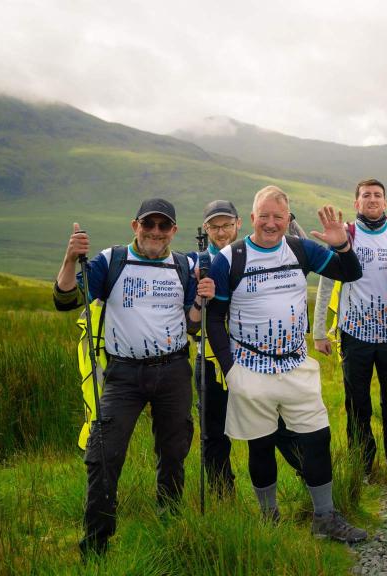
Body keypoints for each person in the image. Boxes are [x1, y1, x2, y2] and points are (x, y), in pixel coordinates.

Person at [205, 186, 368, 542]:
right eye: (264, 216)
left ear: (287, 219)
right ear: (252, 218)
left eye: (278, 216)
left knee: (317, 438)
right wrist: (231, 370)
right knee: (260, 445)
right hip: (249, 367)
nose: (271, 223)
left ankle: (325, 518)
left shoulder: (299, 249)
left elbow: (350, 273)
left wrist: (342, 245)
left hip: (296, 365)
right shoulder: (229, 259)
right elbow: (214, 319)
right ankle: (269, 518)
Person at [53, 198, 207, 556]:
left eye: (163, 226)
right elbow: (66, 299)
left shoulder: (184, 265)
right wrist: (68, 258)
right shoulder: (112, 260)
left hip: (173, 371)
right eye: (148, 224)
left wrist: (200, 300)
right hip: (123, 374)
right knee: (104, 452)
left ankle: (171, 521)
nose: (155, 232)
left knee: (174, 451)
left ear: (173, 231)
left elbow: (193, 324)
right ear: (134, 225)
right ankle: (97, 541)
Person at [312, 179, 387, 492]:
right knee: (357, 404)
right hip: (354, 335)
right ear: (356, 202)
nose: (372, 200)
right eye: (366, 195)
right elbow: (325, 282)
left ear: (385, 202)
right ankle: (361, 467)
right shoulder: (345, 234)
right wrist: (319, 330)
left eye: (377, 195)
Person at [190, 200, 244, 497]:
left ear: (238, 224)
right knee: (213, 432)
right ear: (206, 229)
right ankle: (223, 495)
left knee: (273, 424)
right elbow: (192, 322)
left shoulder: (248, 258)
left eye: (226, 225)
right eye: (214, 226)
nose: (221, 232)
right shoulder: (195, 264)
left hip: (251, 356)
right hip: (209, 360)